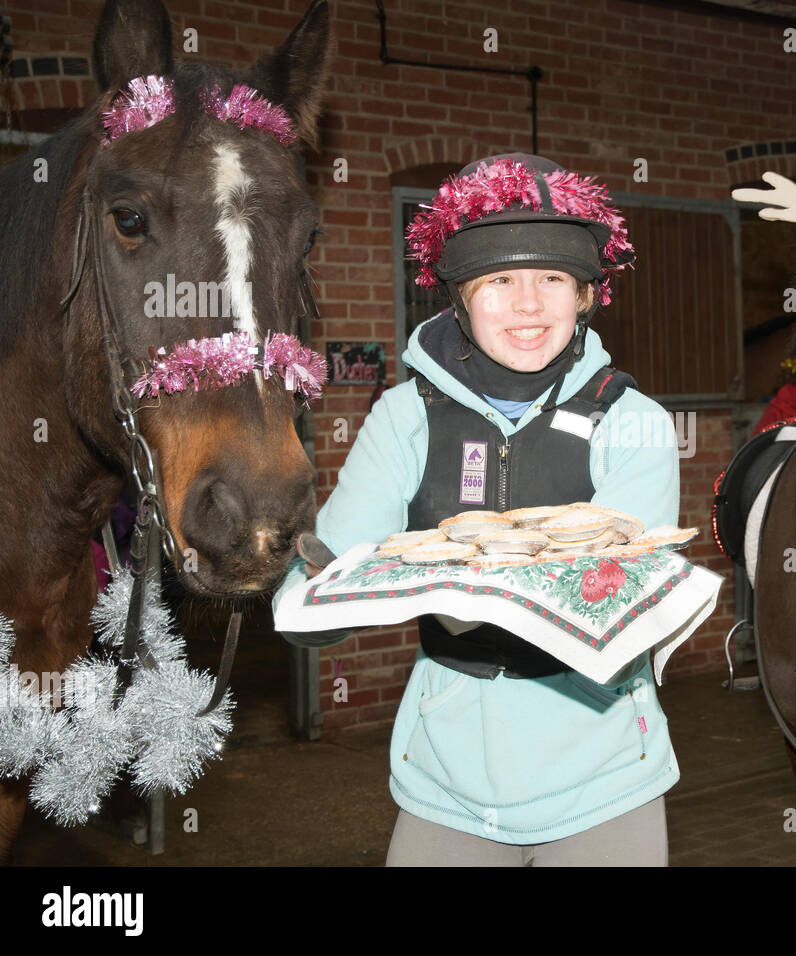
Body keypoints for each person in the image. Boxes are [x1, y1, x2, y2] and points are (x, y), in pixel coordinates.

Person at [272, 154, 681, 866]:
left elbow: (614, 603)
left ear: (585, 296)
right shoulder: (404, 418)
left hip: (606, 774)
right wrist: (319, 600)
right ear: (459, 296)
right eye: (499, 282)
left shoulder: (635, 420)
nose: (529, 306)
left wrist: (447, 589)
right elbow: (323, 590)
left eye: (553, 279)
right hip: (448, 779)